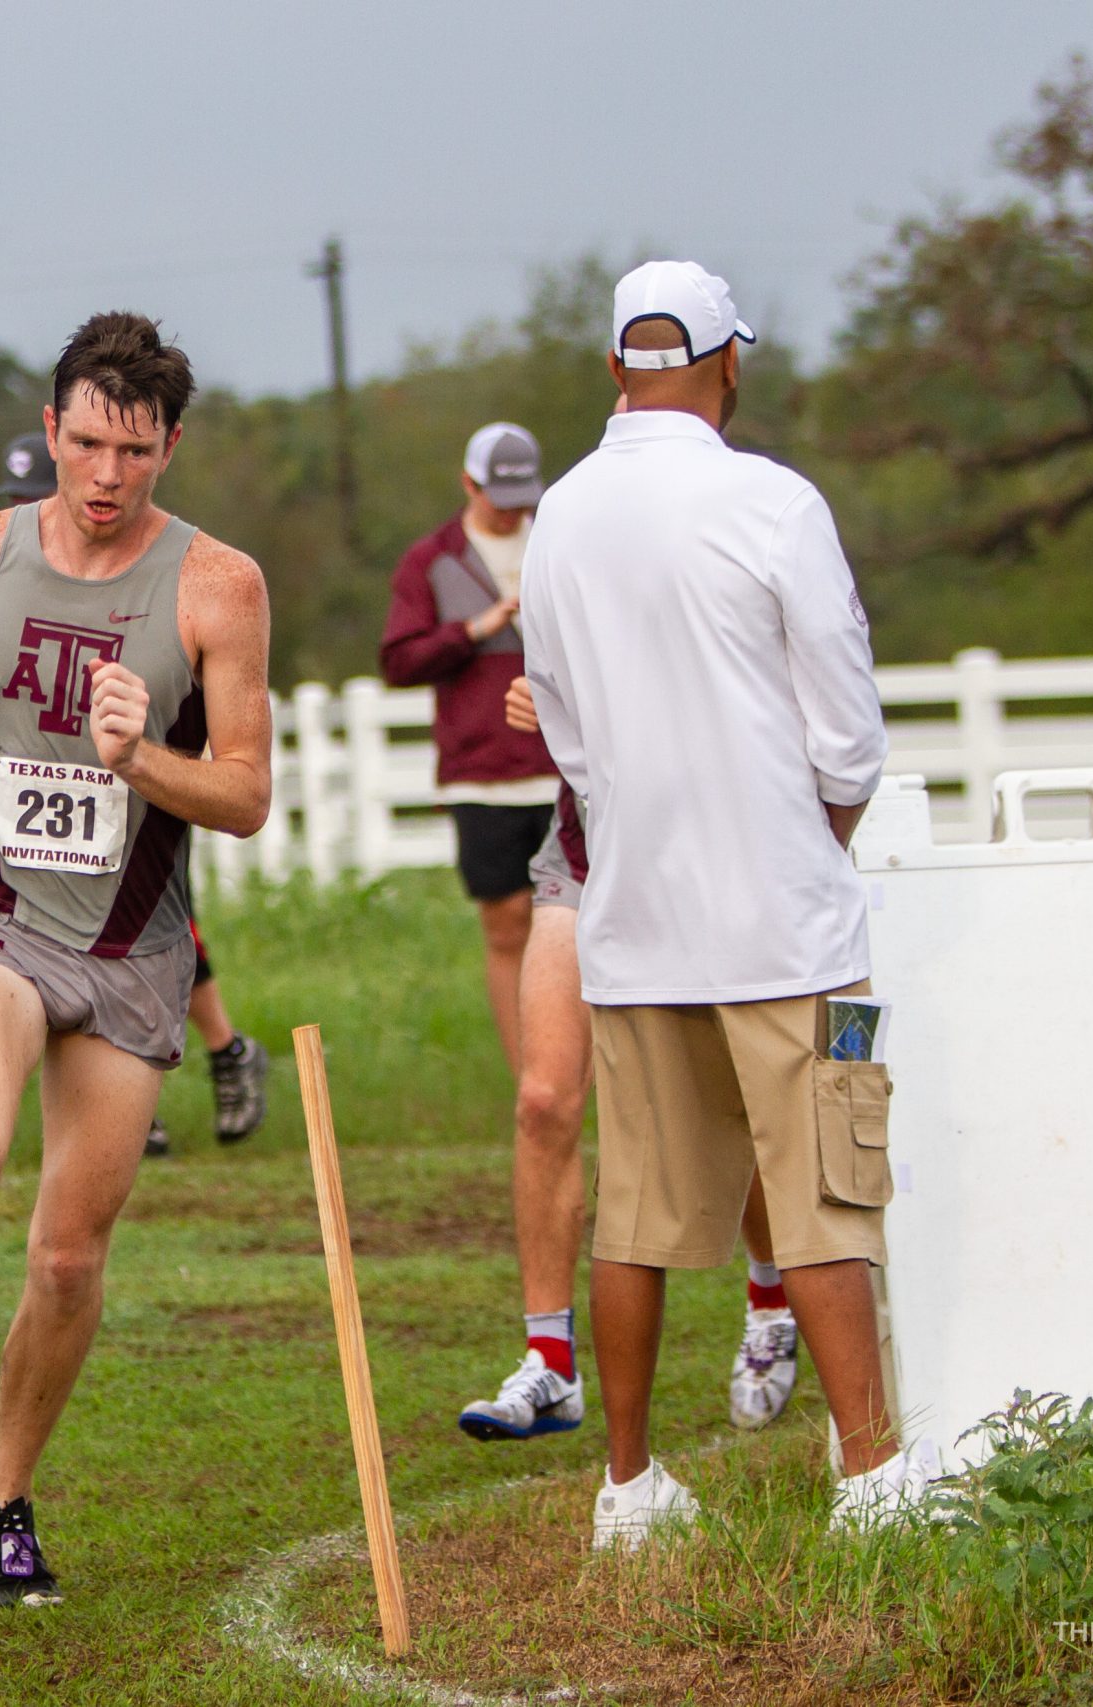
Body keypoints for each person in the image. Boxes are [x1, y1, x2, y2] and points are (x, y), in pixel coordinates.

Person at [525, 260, 927, 1547]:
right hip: (788, 921)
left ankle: (628, 1487)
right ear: (727, 362)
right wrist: (820, 835)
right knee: (828, 1187)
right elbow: (848, 729)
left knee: (636, 1212)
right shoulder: (773, 501)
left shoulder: (562, 517)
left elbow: (570, 740)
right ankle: (871, 1478)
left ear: (615, 369)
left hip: (630, 922)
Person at [0, 313, 272, 1607]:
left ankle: (2, 1497)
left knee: (64, 1255)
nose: (107, 476)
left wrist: (142, 759)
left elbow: (247, 793)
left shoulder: (219, 584)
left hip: (132, 950)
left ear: (171, 447)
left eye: (137, 450)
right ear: (50, 430)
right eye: (87, 442)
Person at [457, 678, 799, 1444]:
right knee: (543, 1097)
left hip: (705, 848)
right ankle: (549, 1361)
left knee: (727, 1092)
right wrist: (546, 698)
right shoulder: (570, 559)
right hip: (585, 851)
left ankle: (772, 1298)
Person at [0, 430, 272, 1159]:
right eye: (19, 502)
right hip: (35, 815)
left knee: (173, 931)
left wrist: (144, 755)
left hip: (134, 808)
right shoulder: (3, 569)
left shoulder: (156, 574)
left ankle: (226, 1050)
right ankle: (126, 1097)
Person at [380, 423, 560, 1074]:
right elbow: (399, 660)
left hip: (565, 770)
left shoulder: (563, 543)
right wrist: (475, 629)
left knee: (574, 927)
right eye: (498, 496)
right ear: (468, 484)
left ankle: (580, 1075)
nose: (512, 510)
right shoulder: (431, 560)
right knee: (507, 921)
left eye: (522, 497)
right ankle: (529, 1079)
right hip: (480, 773)